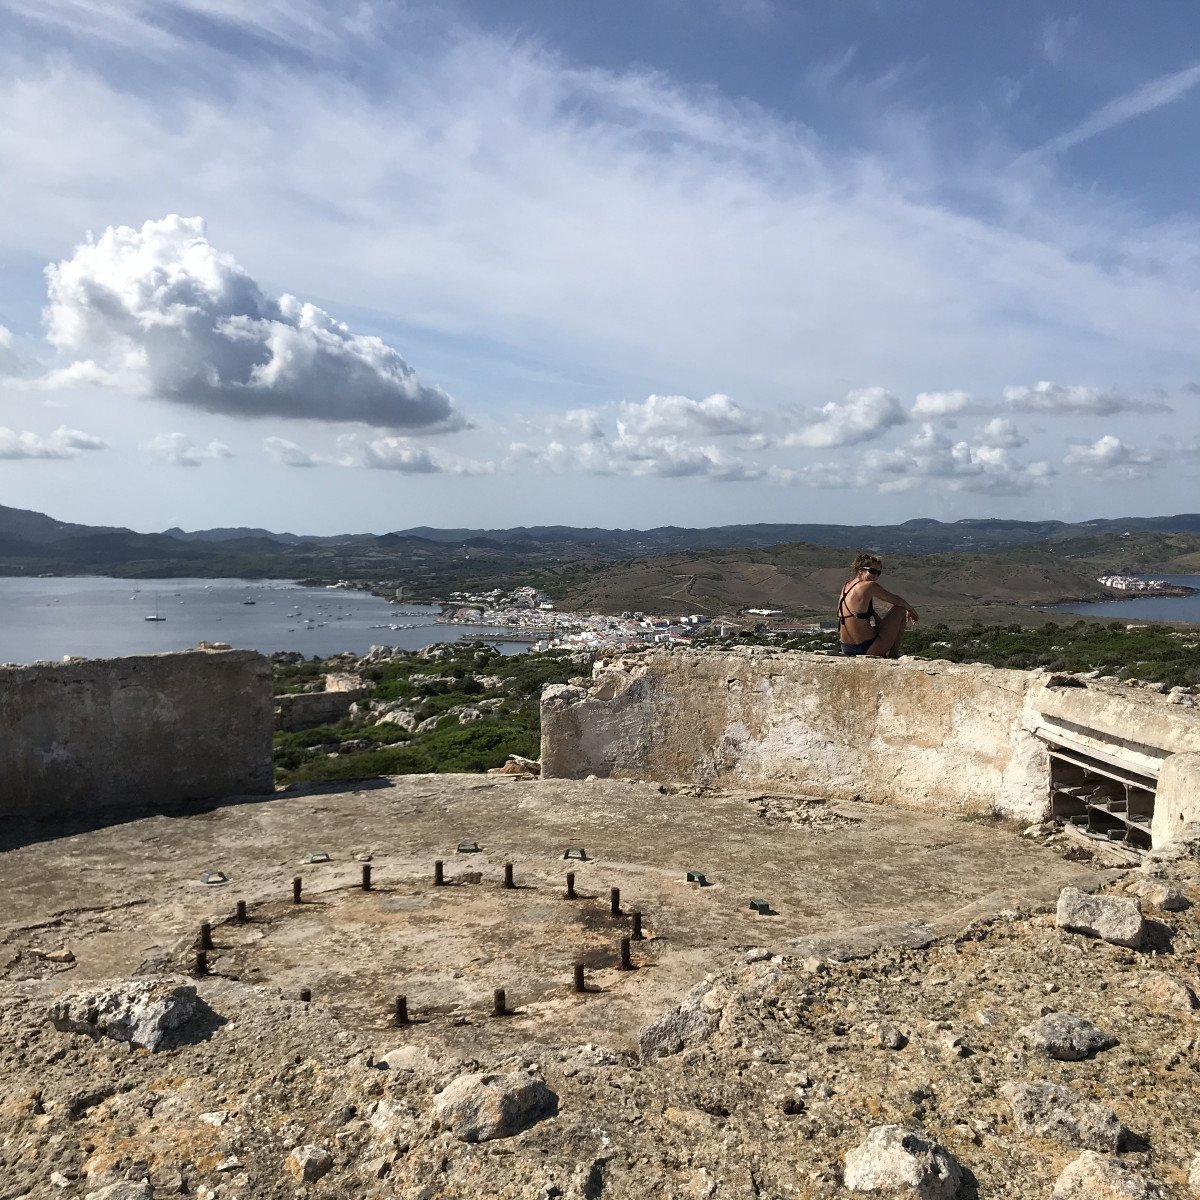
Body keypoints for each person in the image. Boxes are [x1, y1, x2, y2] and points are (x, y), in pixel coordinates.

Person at [837, 552, 918, 657]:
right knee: (901, 609)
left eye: (878, 573)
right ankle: (894, 654)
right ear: (860, 570)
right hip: (867, 647)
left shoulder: (846, 586)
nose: (876, 577)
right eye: (873, 571)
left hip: (846, 647)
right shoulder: (869, 586)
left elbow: (860, 614)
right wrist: (912, 611)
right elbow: (897, 600)